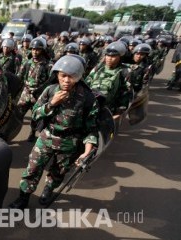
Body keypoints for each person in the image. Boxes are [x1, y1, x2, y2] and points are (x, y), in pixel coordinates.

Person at [9, 54, 99, 209]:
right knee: (32, 169)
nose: (66, 80)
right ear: (57, 74)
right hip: (47, 137)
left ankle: (48, 190)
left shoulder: (88, 98)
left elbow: (91, 129)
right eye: (63, 76)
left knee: (58, 172)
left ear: (78, 77)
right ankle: (23, 198)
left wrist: (86, 152)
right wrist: (51, 103)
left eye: (71, 77)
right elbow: (36, 114)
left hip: (69, 143)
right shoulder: (50, 91)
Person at [16, 37, 53, 142]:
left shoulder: (48, 65)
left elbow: (51, 81)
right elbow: (19, 76)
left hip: (39, 94)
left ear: (42, 51)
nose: (34, 52)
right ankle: (12, 131)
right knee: (18, 112)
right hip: (26, 92)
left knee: (35, 115)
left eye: (37, 49)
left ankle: (32, 133)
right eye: (33, 49)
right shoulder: (27, 63)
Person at [86, 41, 132, 120]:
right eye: (107, 55)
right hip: (91, 102)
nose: (109, 58)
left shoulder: (125, 71)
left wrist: (120, 111)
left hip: (109, 107)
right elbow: (87, 83)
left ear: (120, 57)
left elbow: (126, 92)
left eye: (113, 56)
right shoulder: (98, 68)